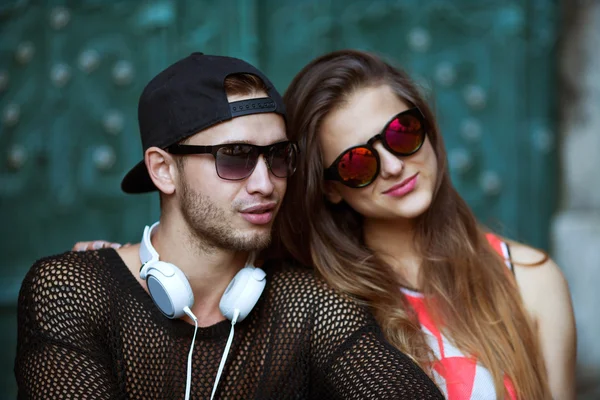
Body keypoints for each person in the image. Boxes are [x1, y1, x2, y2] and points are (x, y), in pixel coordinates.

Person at [71, 50, 577, 399]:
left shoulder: (529, 279)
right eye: (358, 162)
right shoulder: (298, 293)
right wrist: (121, 278)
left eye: (403, 133)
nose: (396, 166)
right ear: (331, 185)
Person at [14, 53, 444, 400]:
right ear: (163, 170)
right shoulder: (73, 289)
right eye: (234, 157)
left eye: (278, 157)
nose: (265, 184)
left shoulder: (312, 304)